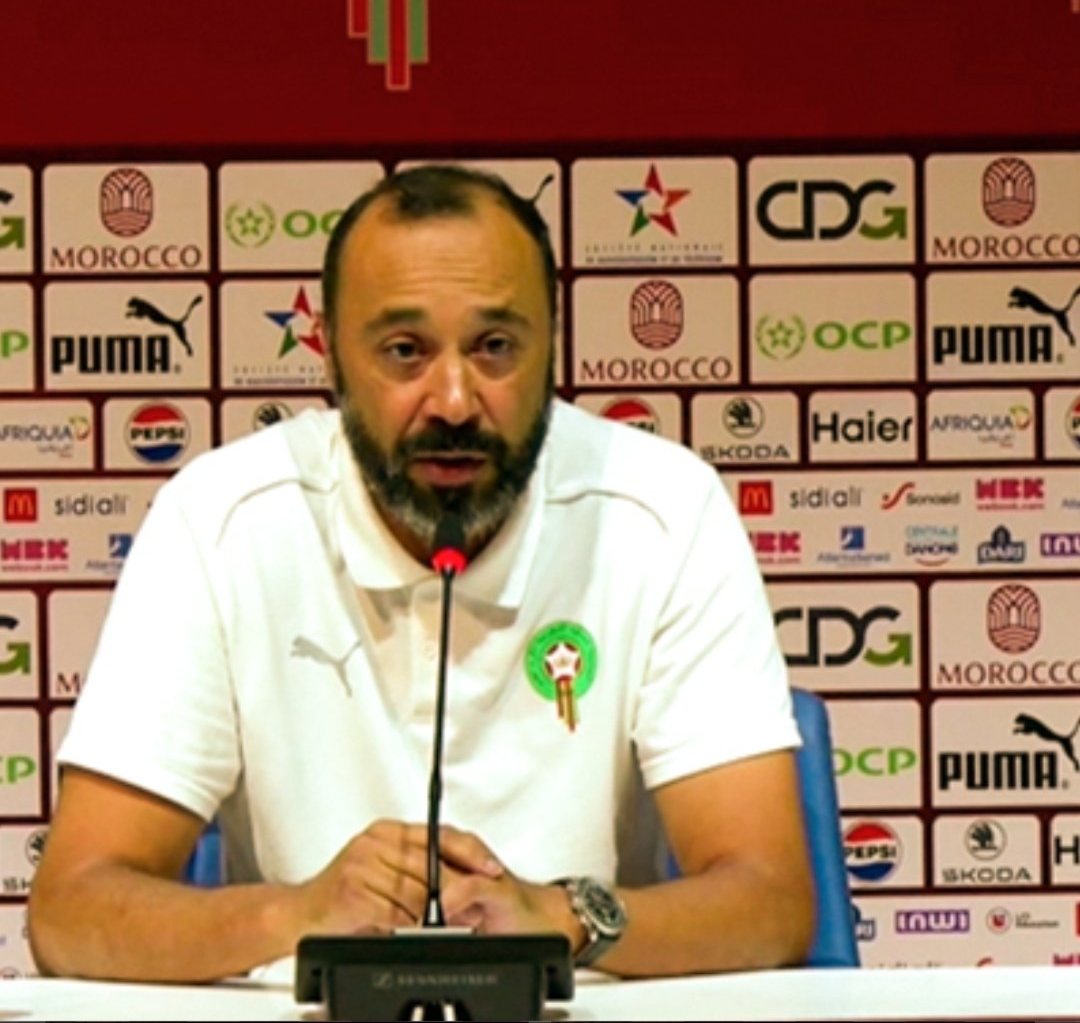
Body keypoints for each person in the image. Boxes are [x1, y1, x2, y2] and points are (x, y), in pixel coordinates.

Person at [28, 165, 813, 984]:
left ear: (552, 347)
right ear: (331, 356)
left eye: (495, 347)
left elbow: (771, 902)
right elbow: (71, 912)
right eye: (405, 352)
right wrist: (295, 917)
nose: (454, 401)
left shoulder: (664, 510)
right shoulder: (222, 519)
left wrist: (565, 917)